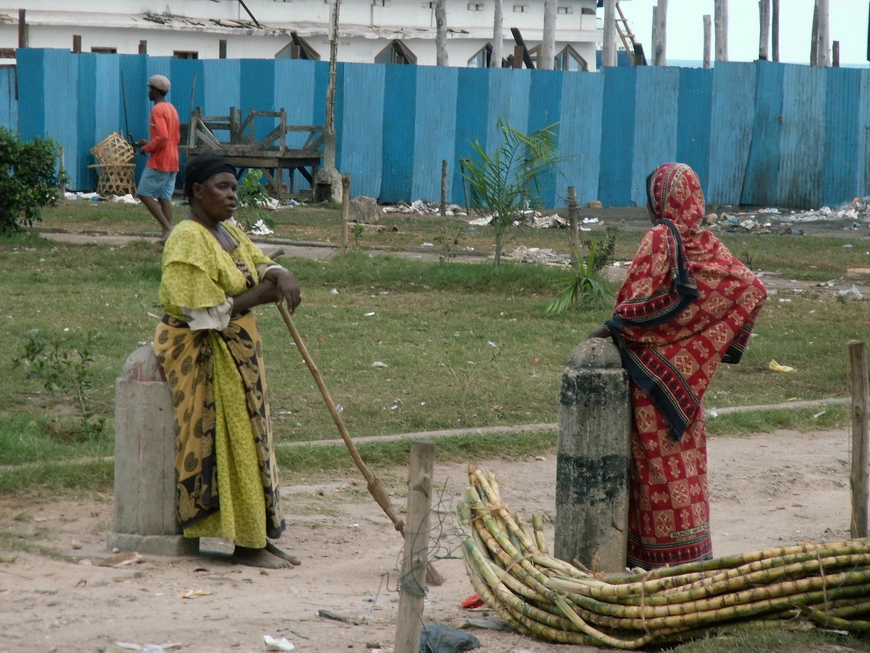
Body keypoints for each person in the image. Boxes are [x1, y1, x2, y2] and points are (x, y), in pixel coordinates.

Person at [587, 162, 767, 570]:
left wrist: (592, 339)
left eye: (652, 195)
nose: (650, 207)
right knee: (684, 473)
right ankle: (691, 562)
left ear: (661, 200)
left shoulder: (660, 238)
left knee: (654, 476)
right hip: (686, 387)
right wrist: (695, 345)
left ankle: (654, 567)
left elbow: (631, 310)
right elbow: (750, 288)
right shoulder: (707, 244)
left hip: (652, 386)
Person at [152, 153, 302, 569]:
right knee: (230, 440)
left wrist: (280, 273)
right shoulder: (187, 237)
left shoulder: (227, 231)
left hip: (238, 353)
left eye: (234, 188)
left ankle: (258, 535)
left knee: (253, 438)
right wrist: (260, 296)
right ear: (197, 191)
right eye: (223, 187)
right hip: (204, 353)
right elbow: (201, 314)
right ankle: (246, 545)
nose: (232, 196)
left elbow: (257, 261)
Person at [136, 74, 180, 244]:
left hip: (160, 160)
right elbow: (170, 137)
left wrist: (147, 148)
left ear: (155, 91)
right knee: (164, 197)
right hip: (173, 159)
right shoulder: (171, 108)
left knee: (143, 193)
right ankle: (169, 235)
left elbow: (162, 136)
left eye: (150, 89)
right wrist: (149, 142)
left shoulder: (157, 110)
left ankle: (167, 227)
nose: (148, 92)